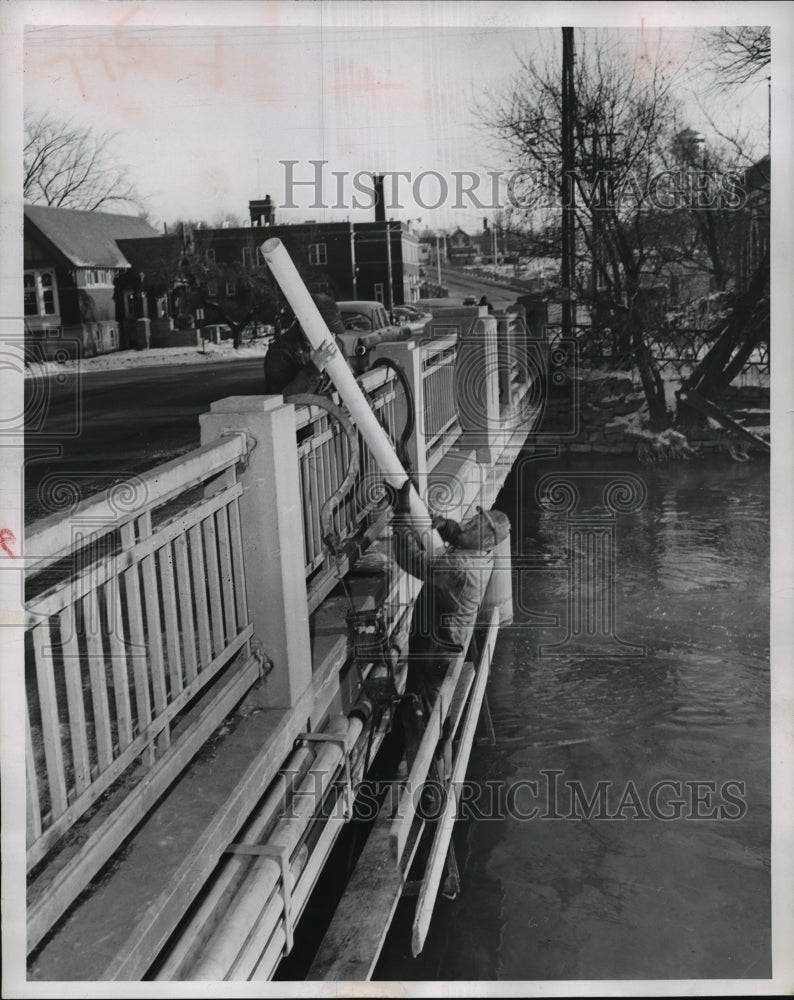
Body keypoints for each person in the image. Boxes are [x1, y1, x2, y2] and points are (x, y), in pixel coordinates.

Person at [390, 481, 510, 760]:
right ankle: (419, 758)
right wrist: (443, 525)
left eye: (477, 526)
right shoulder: (481, 553)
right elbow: (461, 536)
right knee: (420, 706)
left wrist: (400, 514)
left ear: (488, 540)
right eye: (474, 519)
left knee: (422, 715)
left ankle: (428, 789)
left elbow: (408, 558)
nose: (468, 525)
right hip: (442, 646)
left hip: (435, 652)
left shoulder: (461, 568)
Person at [263, 292, 346, 397]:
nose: (332, 337)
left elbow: (353, 383)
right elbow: (284, 400)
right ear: (308, 324)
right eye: (328, 330)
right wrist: (315, 367)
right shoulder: (281, 351)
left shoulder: (336, 344)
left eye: (334, 332)